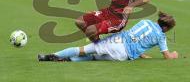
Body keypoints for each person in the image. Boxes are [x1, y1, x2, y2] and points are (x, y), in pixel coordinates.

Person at [38, 11, 178, 62]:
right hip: (123, 55)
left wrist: (141, 53)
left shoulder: (145, 21)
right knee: (93, 57)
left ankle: (50, 56)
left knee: (83, 50)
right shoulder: (161, 36)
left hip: (117, 41)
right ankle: (68, 60)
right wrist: (174, 55)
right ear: (165, 28)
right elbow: (167, 56)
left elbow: (134, 37)